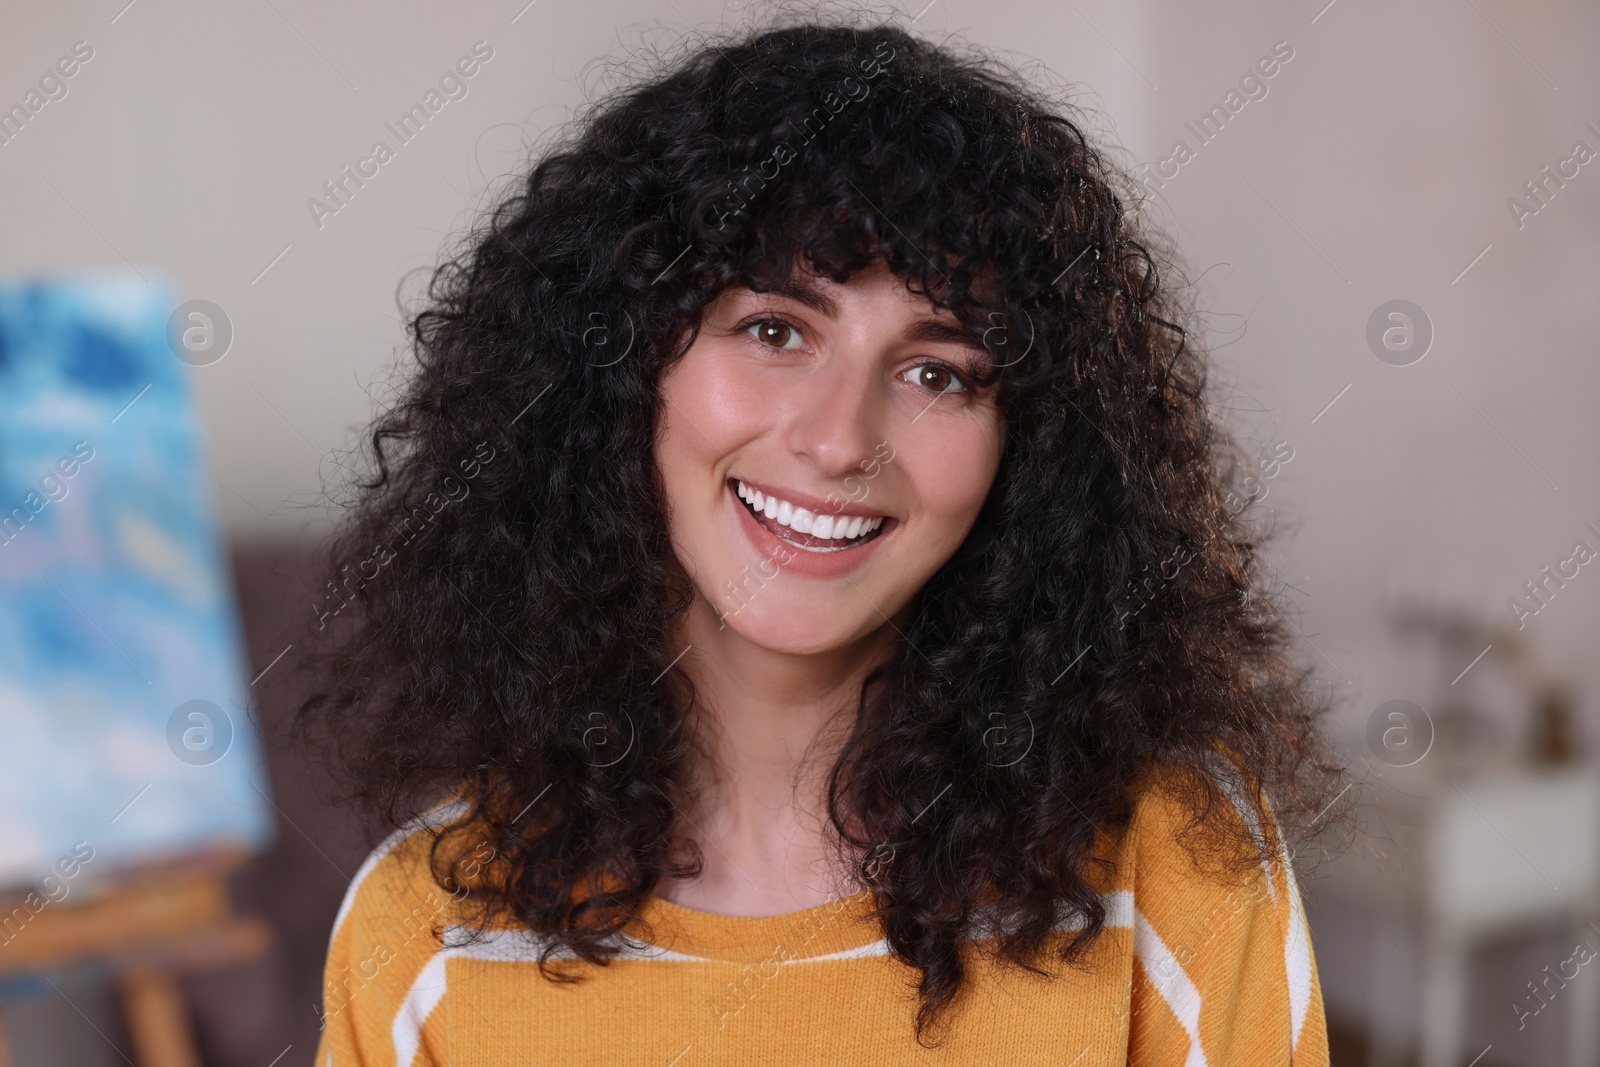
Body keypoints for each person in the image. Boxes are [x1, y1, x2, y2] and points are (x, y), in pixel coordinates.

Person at [297, 16, 1347, 1065]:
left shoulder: (1172, 870)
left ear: (1029, 451)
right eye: (775, 330)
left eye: (938, 371)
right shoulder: (423, 935)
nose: (841, 438)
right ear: (616, 371)